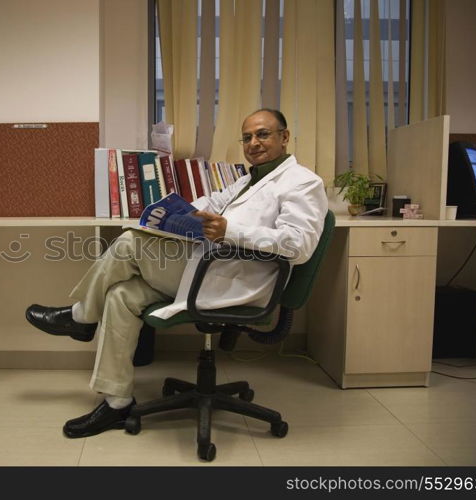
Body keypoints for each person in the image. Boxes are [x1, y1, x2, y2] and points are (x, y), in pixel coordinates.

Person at [26, 108, 328, 438]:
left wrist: (231, 230)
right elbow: (211, 201)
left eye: (263, 134)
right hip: (205, 270)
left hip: (239, 281)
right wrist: (181, 215)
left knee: (129, 243)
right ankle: (117, 402)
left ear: (284, 137)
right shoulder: (247, 180)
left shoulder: (303, 183)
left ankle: (81, 318)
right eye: (247, 137)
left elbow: (299, 246)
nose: (253, 143)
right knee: (120, 295)